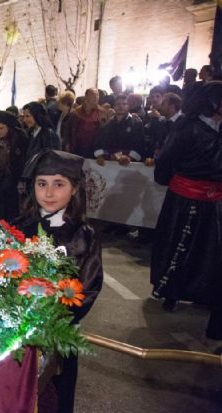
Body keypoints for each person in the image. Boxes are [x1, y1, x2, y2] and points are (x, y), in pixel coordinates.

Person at [15, 149, 103, 413]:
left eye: (59, 184)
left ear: (75, 188)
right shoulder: (20, 228)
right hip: (18, 335)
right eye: (42, 184)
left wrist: (56, 319)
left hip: (60, 333)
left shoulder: (84, 236)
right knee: (20, 395)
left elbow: (88, 287)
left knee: (57, 396)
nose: (49, 193)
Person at [151, 81, 222, 340]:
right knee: (180, 246)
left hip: (214, 202)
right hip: (186, 199)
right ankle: (171, 291)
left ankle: (204, 292)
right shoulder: (189, 127)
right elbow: (168, 159)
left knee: (209, 252)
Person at [94, 95, 146, 164]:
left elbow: (139, 146)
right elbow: (100, 143)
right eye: (118, 104)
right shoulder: (108, 124)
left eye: (124, 104)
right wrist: (101, 156)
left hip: (129, 164)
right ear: (114, 107)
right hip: (109, 162)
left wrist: (129, 158)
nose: (121, 106)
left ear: (128, 106)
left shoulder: (136, 123)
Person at [69, 88, 108, 158]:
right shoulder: (76, 112)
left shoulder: (102, 112)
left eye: (97, 95)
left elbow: (105, 132)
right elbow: (68, 130)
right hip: (77, 149)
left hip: (95, 150)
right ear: (86, 97)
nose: (96, 97)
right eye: (93, 95)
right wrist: (67, 144)